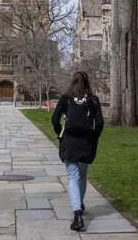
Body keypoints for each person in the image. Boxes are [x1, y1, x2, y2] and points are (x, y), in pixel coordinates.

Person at [51, 71, 104, 231]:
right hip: (86, 141)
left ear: (72, 82)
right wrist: (94, 137)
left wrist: (60, 134)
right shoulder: (93, 99)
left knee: (73, 177)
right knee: (82, 175)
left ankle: (77, 214)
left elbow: (54, 119)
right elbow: (100, 123)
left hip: (70, 140)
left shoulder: (66, 98)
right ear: (87, 83)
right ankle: (79, 203)